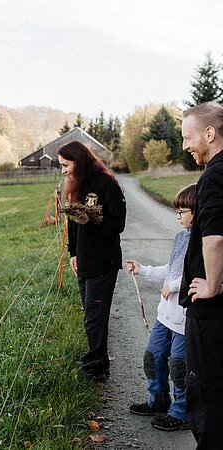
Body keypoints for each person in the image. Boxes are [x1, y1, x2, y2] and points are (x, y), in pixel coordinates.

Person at [126, 184, 196, 431]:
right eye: (176, 211)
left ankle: (182, 412)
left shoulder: (204, 242)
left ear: (197, 212)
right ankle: (158, 400)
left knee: (179, 367)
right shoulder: (181, 238)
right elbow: (171, 269)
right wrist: (143, 269)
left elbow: (202, 275)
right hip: (165, 316)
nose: (177, 216)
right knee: (152, 357)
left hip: (185, 318)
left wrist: (175, 287)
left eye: (182, 211)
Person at [58, 140, 126, 382]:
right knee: (91, 315)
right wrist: (73, 253)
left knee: (95, 316)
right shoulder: (77, 185)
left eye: (66, 165)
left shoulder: (107, 184)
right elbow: (72, 224)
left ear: (80, 160)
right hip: (84, 260)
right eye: (61, 165)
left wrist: (93, 220)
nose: (64, 170)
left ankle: (95, 367)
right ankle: (100, 363)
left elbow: (118, 224)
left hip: (103, 262)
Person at [179, 101, 223, 448]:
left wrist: (213, 284)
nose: (185, 145)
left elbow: (215, 238)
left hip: (211, 313)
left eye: (188, 137)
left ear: (209, 134)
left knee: (206, 394)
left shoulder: (213, 176)